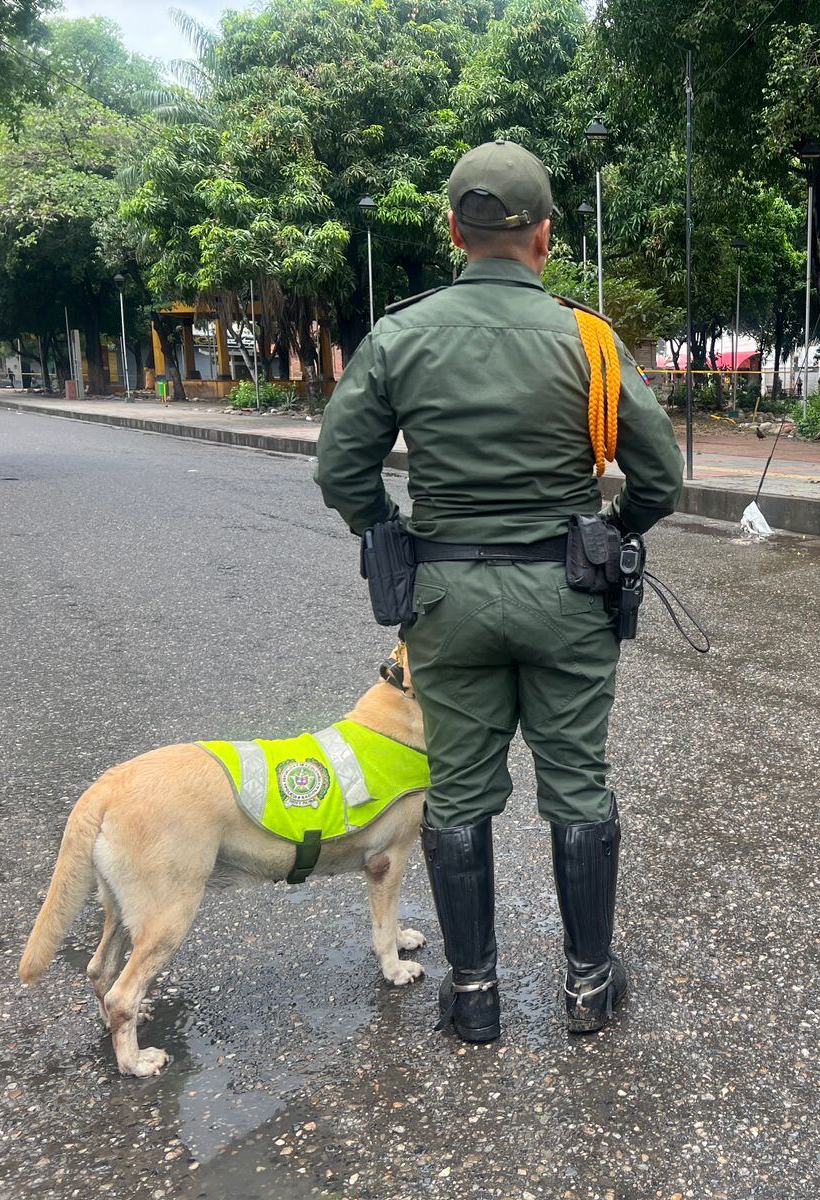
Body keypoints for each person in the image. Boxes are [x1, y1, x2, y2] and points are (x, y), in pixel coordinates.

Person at [315, 140, 684, 1044]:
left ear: (454, 230)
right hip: (568, 590)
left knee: (460, 792)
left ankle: (474, 994)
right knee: (578, 784)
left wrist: (387, 529)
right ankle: (589, 986)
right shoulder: (586, 340)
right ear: (545, 238)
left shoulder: (402, 332)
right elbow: (662, 477)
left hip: (445, 597)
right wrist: (615, 529)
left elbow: (340, 465)